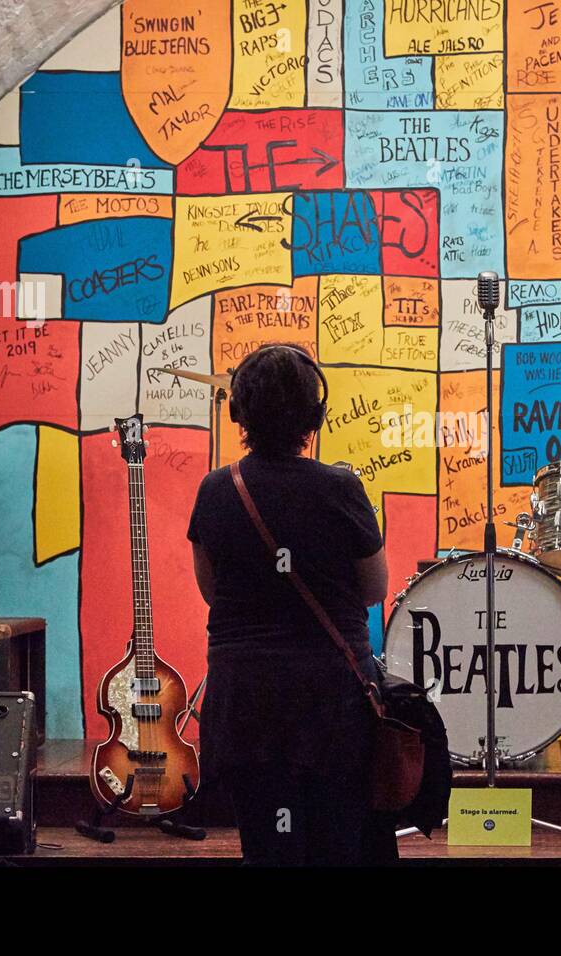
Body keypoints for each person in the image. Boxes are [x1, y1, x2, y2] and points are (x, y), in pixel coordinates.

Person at [187, 343, 396, 865]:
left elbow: (211, 590)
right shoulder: (342, 488)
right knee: (340, 843)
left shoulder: (216, 490)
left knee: (267, 845)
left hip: (247, 703)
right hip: (332, 703)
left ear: (238, 412)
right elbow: (374, 589)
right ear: (315, 415)